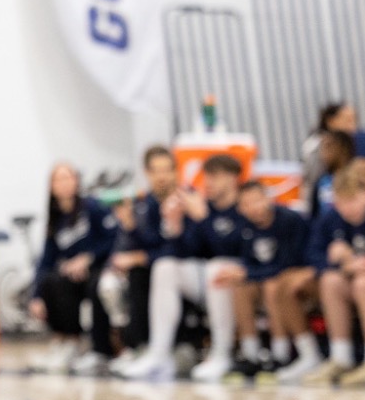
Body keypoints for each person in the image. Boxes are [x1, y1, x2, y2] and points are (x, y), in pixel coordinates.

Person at [120, 154, 245, 382]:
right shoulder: (201, 204)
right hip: (203, 279)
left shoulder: (244, 206)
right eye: (206, 176)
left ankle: (221, 353)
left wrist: (203, 219)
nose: (208, 183)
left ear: (233, 178)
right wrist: (176, 226)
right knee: (165, 267)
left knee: (219, 268)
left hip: (238, 279)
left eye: (215, 177)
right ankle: (158, 353)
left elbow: (232, 248)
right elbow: (189, 250)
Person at [289, 162, 365, 386]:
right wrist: (342, 264)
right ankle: (340, 357)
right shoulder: (331, 220)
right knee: (330, 281)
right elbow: (312, 254)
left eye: (352, 200)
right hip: (351, 281)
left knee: (364, 282)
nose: (347, 208)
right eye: (341, 202)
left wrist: (350, 258)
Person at [213, 181, 314, 382]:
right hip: (265, 277)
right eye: (247, 204)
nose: (254, 208)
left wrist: (248, 273)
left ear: (268, 198)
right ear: (240, 208)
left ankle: (281, 354)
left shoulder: (289, 220)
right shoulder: (244, 228)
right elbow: (248, 262)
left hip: (295, 278)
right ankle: (251, 354)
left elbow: (288, 264)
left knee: (272, 285)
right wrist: (243, 274)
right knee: (240, 287)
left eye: (257, 200)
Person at [28, 162, 118, 374]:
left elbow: (112, 238)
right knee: (53, 281)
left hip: (98, 268)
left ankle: (100, 349)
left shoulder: (93, 208)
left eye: (68, 177)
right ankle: (67, 342)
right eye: (58, 179)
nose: (64, 183)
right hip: (73, 278)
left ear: (77, 181)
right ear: (51, 186)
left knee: (98, 285)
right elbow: (46, 260)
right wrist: (36, 296)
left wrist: (88, 257)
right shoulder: (55, 219)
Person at [104, 145, 179, 373]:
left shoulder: (183, 200)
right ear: (147, 173)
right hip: (151, 264)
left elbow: (178, 246)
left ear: (175, 171)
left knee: (146, 273)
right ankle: (121, 348)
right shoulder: (143, 203)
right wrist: (129, 226)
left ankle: (154, 348)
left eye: (167, 170)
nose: (162, 176)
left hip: (174, 264)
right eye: (156, 170)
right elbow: (137, 242)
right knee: (107, 280)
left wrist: (141, 257)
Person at [300, 103, 356, 213]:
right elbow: (312, 182)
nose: (353, 126)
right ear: (331, 121)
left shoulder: (352, 143)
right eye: (347, 120)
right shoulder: (315, 146)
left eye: (354, 120)